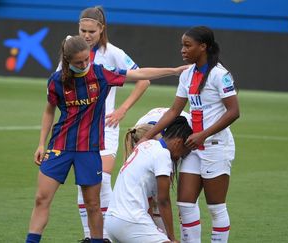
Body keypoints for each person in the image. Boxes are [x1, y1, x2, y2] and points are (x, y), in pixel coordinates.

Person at [25, 35, 187, 243]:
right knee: (41, 199)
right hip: (60, 145)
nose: (84, 65)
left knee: (93, 204)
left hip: (90, 149)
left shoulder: (100, 74)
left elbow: (139, 74)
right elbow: (49, 111)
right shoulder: (56, 81)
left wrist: (173, 71)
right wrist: (41, 143)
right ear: (67, 61)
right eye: (78, 62)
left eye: (86, 60)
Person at [139, 26, 240, 243]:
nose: (183, 50)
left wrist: (203, 134)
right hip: (194, 147)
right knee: (184, 203)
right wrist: (147, 137)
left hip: (216, 146)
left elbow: (234, 112)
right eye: (182, 45)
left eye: (188, 45)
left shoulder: (220, 75)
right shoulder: (187, 75)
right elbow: (174, 111)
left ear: (203, 47)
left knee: (216, 208)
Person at [73, 7, 151, 240]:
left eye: (91, 31)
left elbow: (143, 80)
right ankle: (89, 236)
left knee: (103, 180)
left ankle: (105, 236)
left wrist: (122, 109)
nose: (86, 35)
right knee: (84, 184)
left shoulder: (113, 53)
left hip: (106, 126)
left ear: (101, 29)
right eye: (82, 30)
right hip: (79, 127)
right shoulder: (71, 50)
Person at [105, 116, 193, 243]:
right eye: (185, 152)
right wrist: (171, 237)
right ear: (178, 142)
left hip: (112, 221)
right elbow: (164, 201)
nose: (181, 157)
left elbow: (148, 200)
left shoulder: (146, 145)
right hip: (130, 220)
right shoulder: (163, 155)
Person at [124, 108, 191, 234]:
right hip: (154, 128)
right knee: (153, 194)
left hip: (189, 134)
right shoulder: (137, 135)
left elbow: (163, 197)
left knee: (179, 199)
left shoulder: (169, 143)